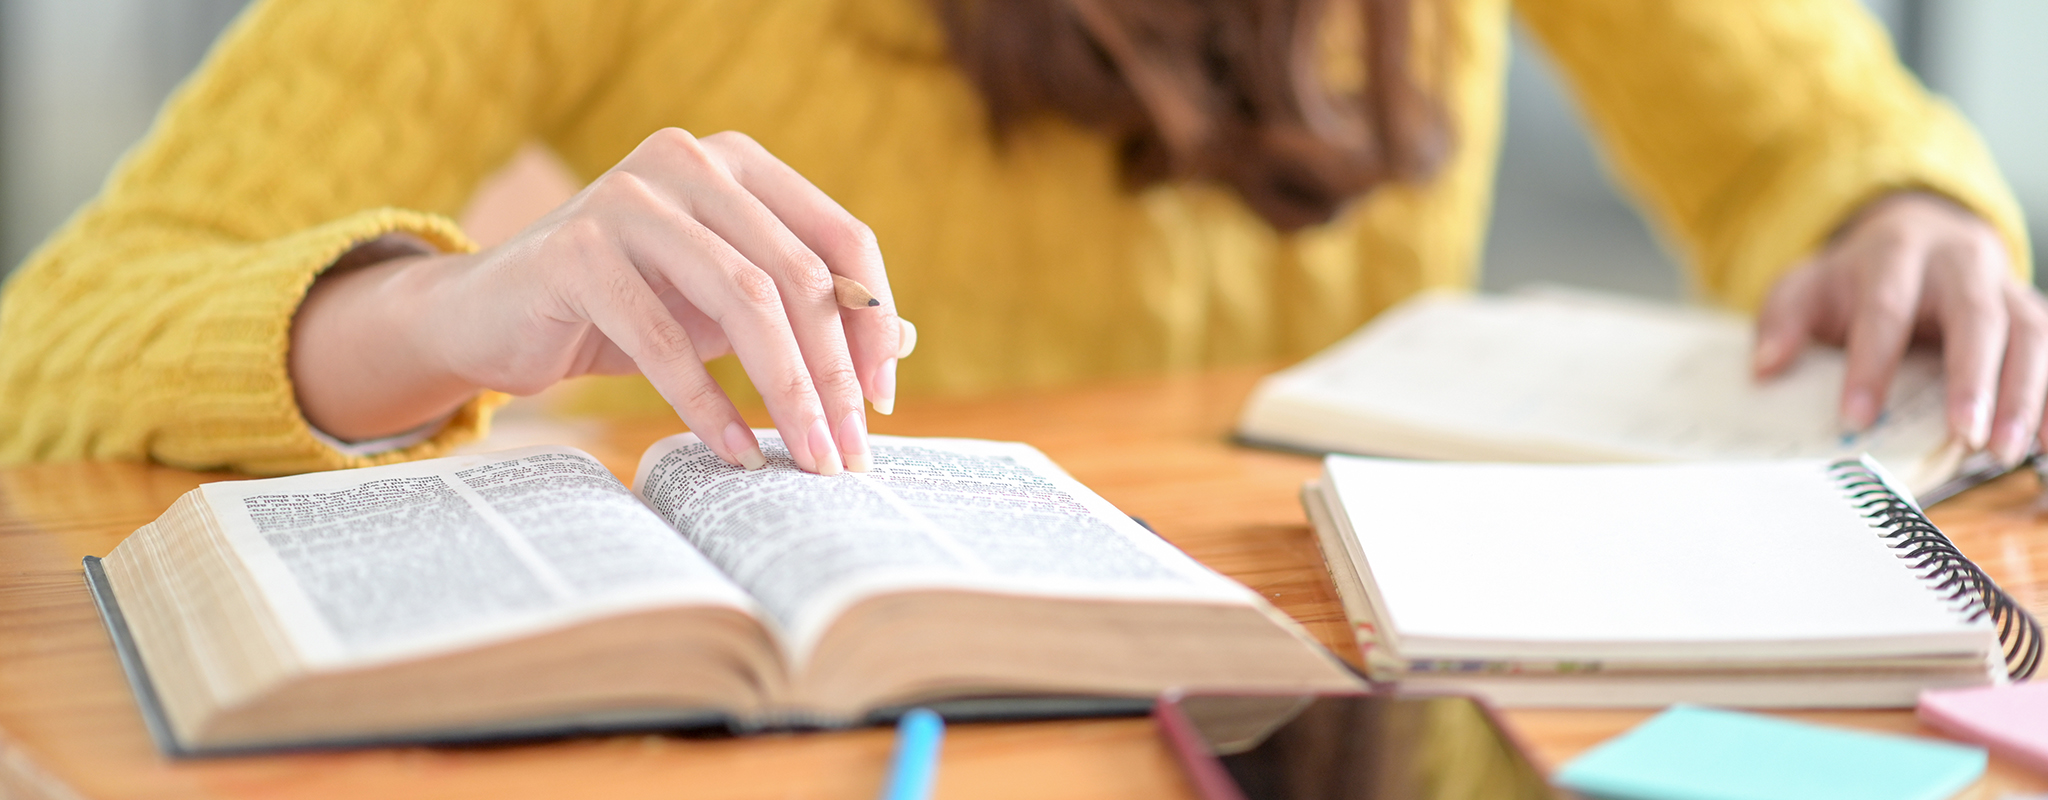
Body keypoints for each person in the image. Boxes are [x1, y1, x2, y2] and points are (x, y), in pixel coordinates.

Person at [0, 0, 2037, 478]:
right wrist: (445, 305)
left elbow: (1799, 119)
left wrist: (1901, 214)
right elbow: (57, 340)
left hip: (1357, 731)